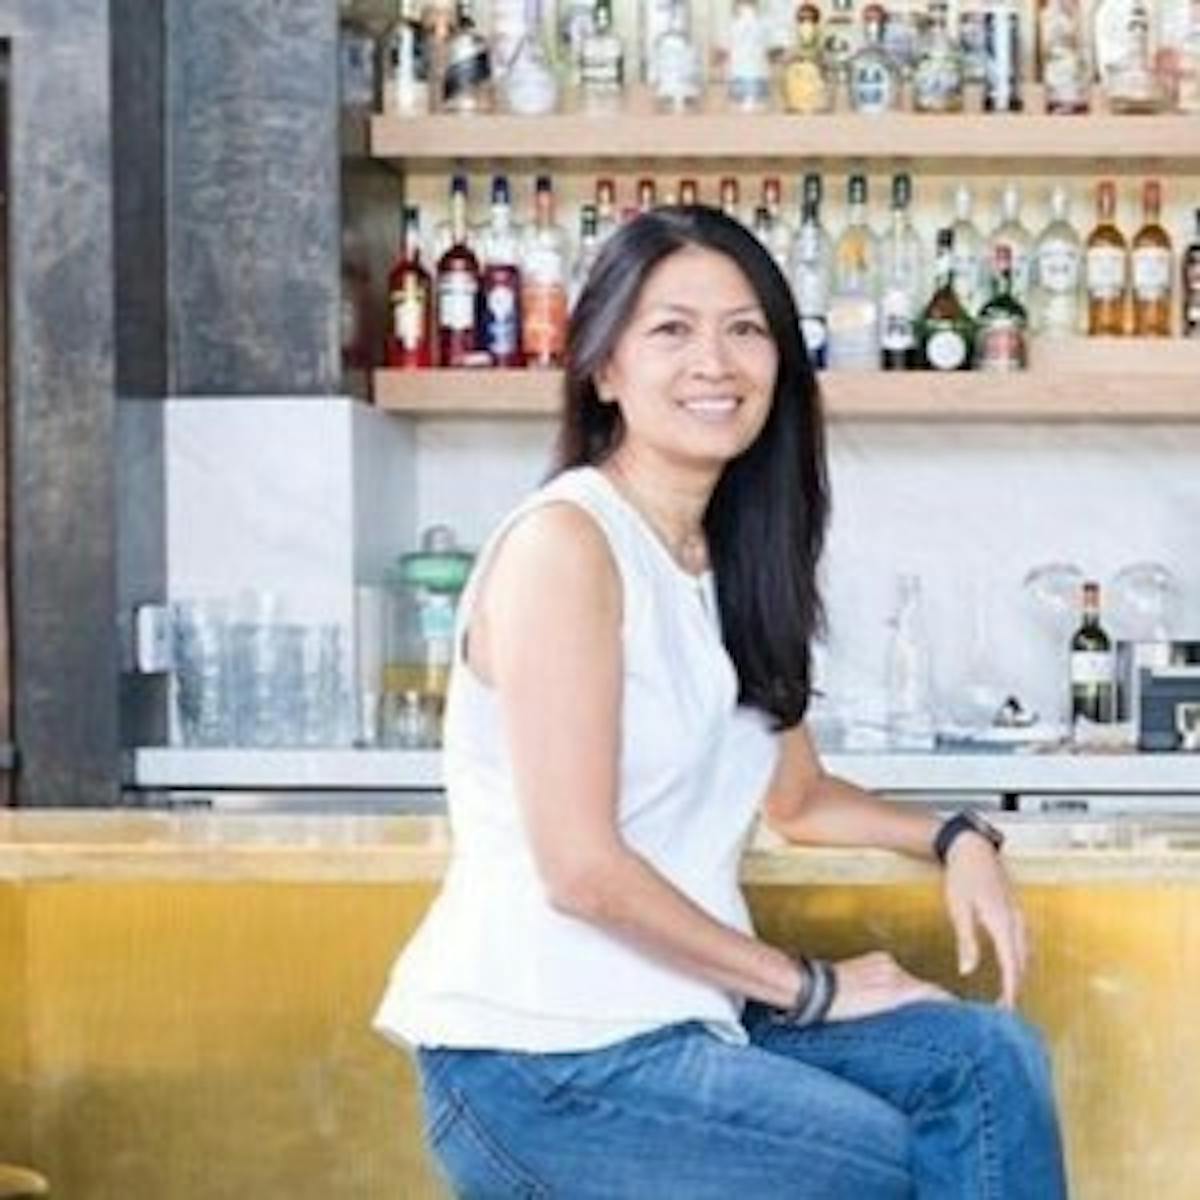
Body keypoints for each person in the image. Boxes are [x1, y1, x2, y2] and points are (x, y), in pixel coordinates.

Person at [373, 205, 1067, 1199]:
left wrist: (959, 835)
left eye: (746, 329)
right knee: (898, 1165)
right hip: (543, 1058)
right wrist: (814, 987)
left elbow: (797, 798)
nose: (717, 361)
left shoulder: (726, 559)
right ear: (604, 368)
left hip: (681, 1017)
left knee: (988, 1066)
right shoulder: (568, 545)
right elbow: (581, 869)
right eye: (672, 330)